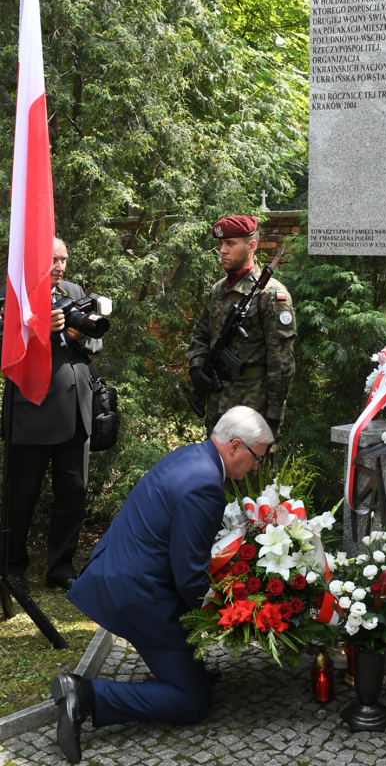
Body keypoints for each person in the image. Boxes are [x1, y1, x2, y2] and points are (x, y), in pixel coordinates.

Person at [54, 407, 273, 764]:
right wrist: (236, 615)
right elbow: (189, 577)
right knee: (192, 702)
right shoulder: (205, 485)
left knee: (190, 672)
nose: (254, 468)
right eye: (255, 459)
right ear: (235, 446)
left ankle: (184, 664)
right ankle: (85, 694)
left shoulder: (193, 456)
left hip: (122, 572)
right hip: (137, 595)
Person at [1, 237, 103, 593]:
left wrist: (78, 336)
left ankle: (61, 568)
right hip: (32, 413)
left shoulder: (73, 290)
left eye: (64, 260)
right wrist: (39, 330)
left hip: (76, 412)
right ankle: (13, 569)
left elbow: (96, 340)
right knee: (21, 496)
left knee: (72, 494)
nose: (60, 267)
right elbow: (5, 346)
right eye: (53, 260)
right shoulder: (13, 294)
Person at [185, 214, 296, 438]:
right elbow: (200, 334)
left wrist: (273, 415)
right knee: (216, 470)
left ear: (251, 246)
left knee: (251, 473)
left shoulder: (270, 294)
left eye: (230, 244)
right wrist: (197, 369)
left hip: (252, 408)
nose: (222, 250)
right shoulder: (218, 290)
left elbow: (281, 363)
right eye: (221, 244)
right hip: (217, 402)